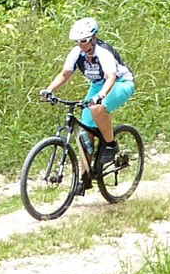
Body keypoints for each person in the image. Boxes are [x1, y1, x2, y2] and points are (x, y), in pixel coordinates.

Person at [39, 17, 136, 175]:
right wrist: (49, 90)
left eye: (84, 41)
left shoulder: (103, 52)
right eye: (78, 41)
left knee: (97, 108)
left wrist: (101, 96)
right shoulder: (76, 53)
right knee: (85, 132)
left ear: (93, 39)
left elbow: (111, 77)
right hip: (97, 85)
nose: (81, 45)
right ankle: (84, 178)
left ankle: (111, 144)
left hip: (121, 82)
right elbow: (65, 74)